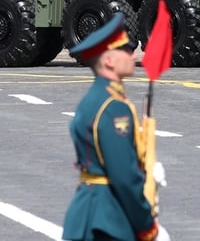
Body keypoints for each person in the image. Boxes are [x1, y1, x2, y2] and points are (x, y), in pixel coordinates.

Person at [63, 13, 168, 241]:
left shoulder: (93, 99)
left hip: (89, 213)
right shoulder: (114, 108)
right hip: (109, 219)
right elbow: (123, 175)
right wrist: (147, 225)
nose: (132, 54)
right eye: (124, 49)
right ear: (109, 60)